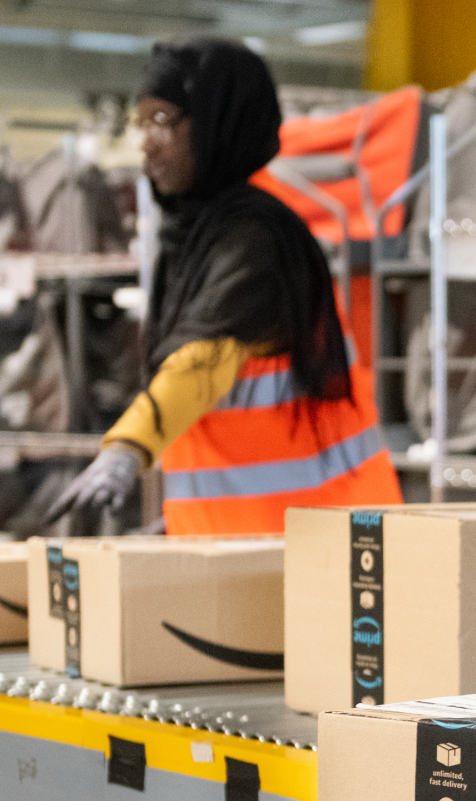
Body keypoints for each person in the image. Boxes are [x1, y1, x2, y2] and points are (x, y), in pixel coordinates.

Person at [48, 38, 401, 533]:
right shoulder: (197, 232)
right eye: (140, 122)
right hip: (255, 535)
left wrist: (127, 449)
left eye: (163, 120)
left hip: (321, 534)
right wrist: (184, 517)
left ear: (218, 123)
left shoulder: (257, 237)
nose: (146, 142)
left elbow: (204, 362)